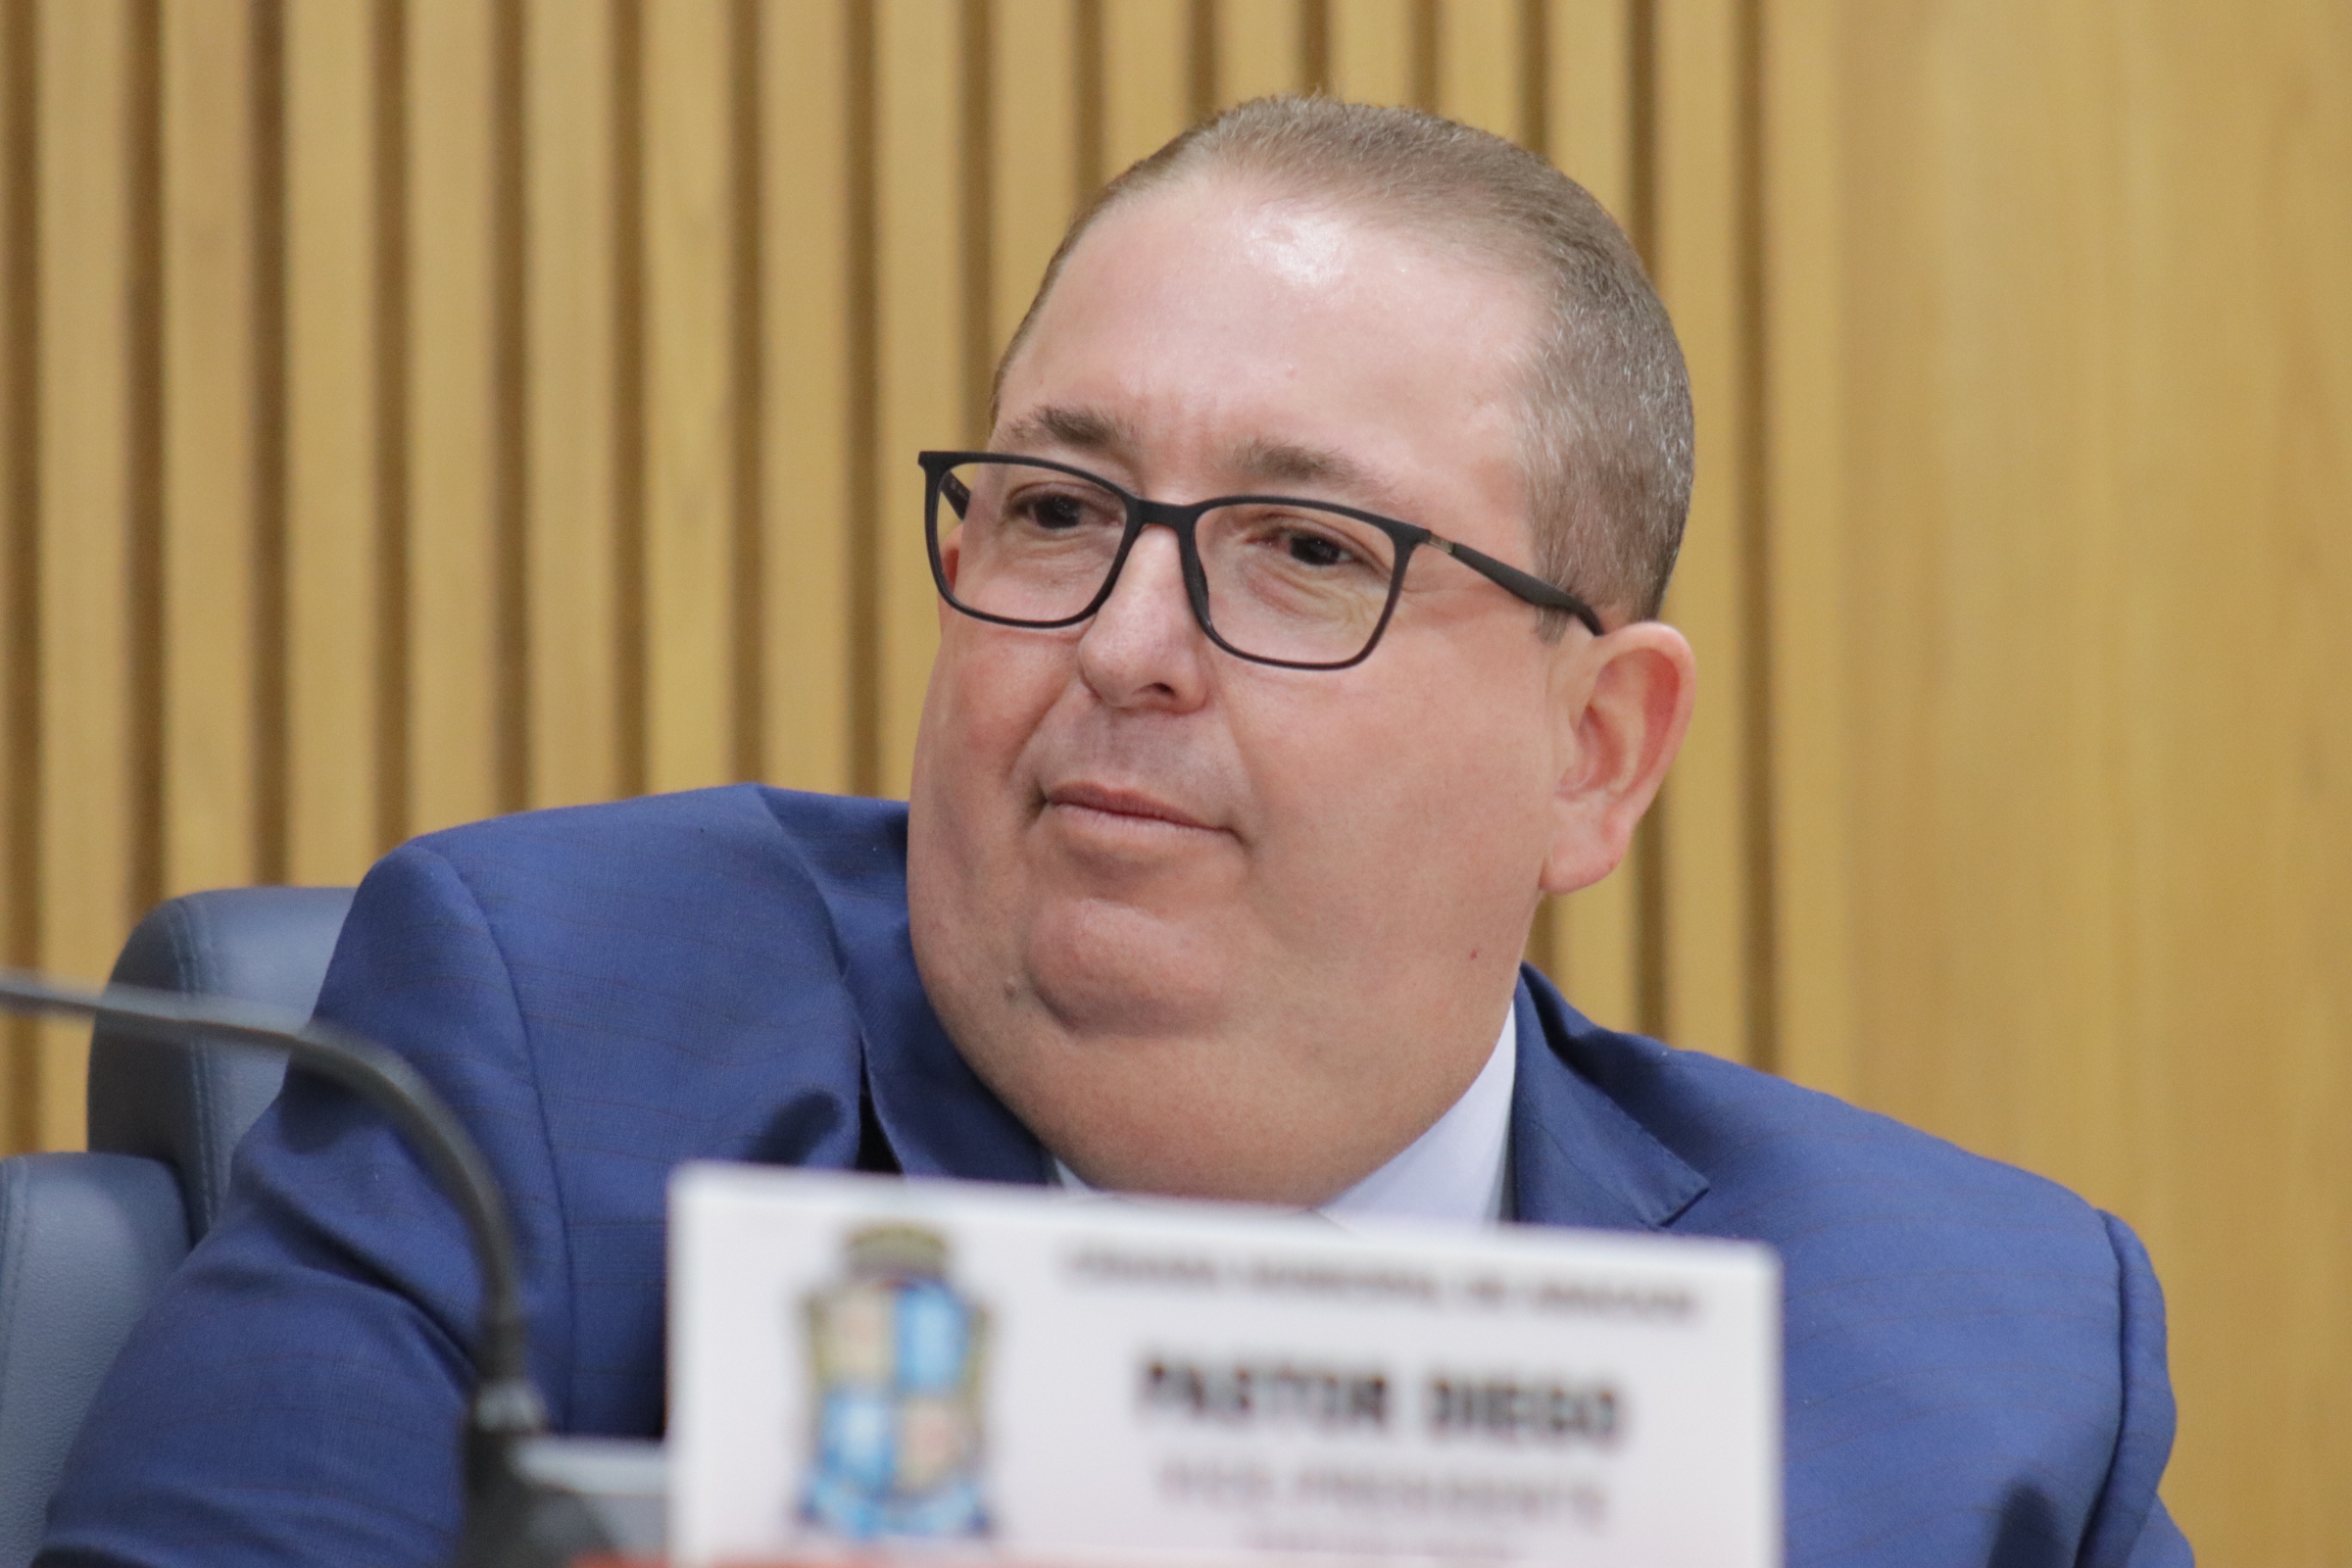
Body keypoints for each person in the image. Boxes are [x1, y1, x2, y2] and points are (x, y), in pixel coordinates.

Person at [42, 99, 2188, 1567]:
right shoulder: (551, 1063)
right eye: (1058, 510)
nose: (1125, 642)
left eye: (1304, 550)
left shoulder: (1974, 1366)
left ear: (1595, 753)